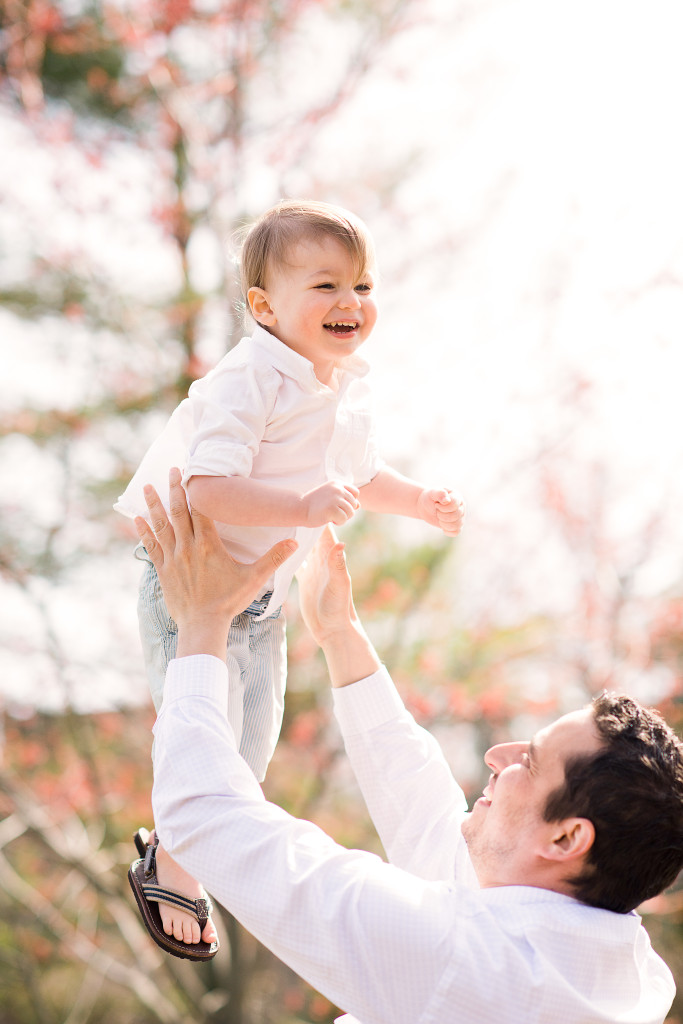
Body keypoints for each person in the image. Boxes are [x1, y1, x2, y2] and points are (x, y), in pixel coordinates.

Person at [129, 470, 683, 1024]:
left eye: (530, 762)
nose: (498, 756)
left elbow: (204, 816)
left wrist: (201, 620)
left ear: (567, 837)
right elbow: (435, 837)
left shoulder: (467, 968)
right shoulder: (616, 967)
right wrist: (339, 631)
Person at [116, 199, 465, 956]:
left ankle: (179, 845)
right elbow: (207, 486)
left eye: (363, 286)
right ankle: (173, 861)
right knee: (203, 731)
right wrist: (301, 503)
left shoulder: (344, 385)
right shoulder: (249, 378)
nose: (350, 303)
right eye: (326, 286)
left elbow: (360, 473)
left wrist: (417, 502)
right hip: (192, 580)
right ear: (264, 307)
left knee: (251, 753)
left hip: (262, 597)